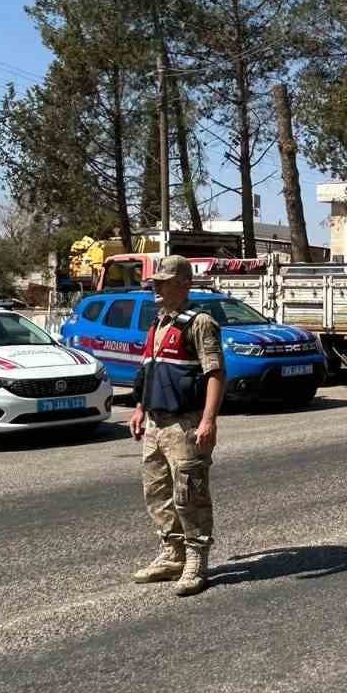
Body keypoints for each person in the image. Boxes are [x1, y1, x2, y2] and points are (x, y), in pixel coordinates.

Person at [129, 256, 226, 597]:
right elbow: (148, 370)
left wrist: (208, 420)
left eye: (164, 280)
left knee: (190, 494)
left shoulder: (199, 323)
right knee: (156, 493)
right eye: (155, 280)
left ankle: (196, 559)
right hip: (156, 423)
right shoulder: (157, 323)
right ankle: (172, 553)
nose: (156, 285)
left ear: (184, 283)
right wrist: (140, 407)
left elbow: (215, 373)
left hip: (185, 424)